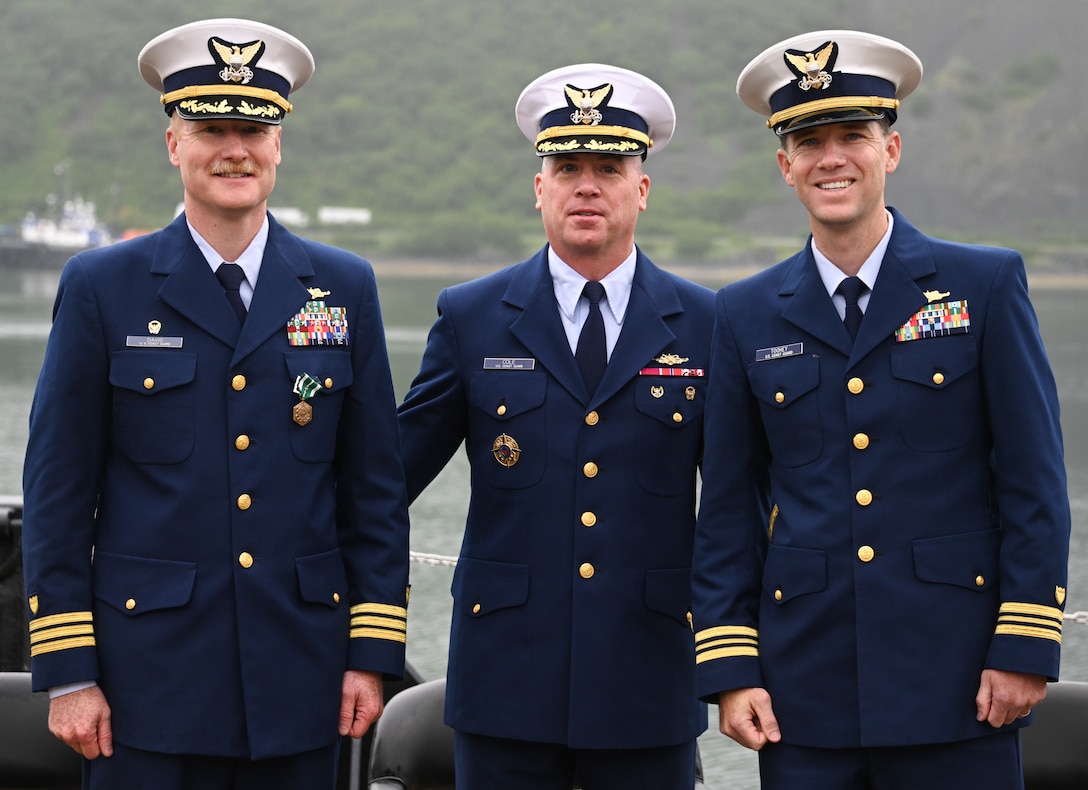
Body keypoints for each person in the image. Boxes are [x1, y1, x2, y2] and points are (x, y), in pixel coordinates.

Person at [21, 18, 410, 789]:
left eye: (254, 129)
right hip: (146, 681)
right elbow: (58, 491)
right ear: (174, 145)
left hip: (301, 675)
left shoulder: (344, 287)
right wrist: (68, 672)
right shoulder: (103, 286)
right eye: (211, 128)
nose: (235, 147)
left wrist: (371, 657)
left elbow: (373, 491)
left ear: (278, 147)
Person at [691, 29, 1071, 789]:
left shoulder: (984, 286)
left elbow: (1034, 479)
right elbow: (730, 506)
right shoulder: (745, 313)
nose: (832, 157)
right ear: (785, 167)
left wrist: (1024, 643)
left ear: (889, 152)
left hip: (961, 684)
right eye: (809, 142)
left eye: (852, 136)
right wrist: (732, 667)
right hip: (803, 694)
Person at [398, 63, 714, 789]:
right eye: (566, 166)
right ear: (539, 187)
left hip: (651, 677)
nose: (587, 185)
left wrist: (738, 656)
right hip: (505, 680)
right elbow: (387, 479)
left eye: (609, 167)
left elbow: (736, 502)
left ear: (642, 188)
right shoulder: (471, 316)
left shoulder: (705, 323)